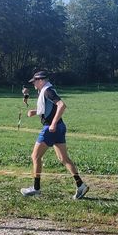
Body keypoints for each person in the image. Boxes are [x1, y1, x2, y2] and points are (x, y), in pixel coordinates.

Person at [20, 70, 89, 199]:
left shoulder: (48, 91)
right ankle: (81, 185)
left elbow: (62, 105)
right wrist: (34, 112)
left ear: (40, 80)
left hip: (50, 129)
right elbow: (48, 109)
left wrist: (53, 124)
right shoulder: (46, 90)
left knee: (35, 156)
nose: (33, 84)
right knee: (63, 159)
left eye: (34, 81)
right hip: (60, 127)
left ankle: (36, 188)